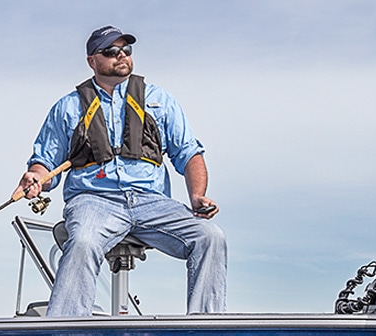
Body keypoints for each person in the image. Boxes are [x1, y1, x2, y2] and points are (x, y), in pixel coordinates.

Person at [15, 25, 227, 316]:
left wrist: (197, 197)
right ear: (92, 60)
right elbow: (45, 162)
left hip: (152, 202)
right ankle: (64, 335)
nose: (121, 56)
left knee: (210, 237)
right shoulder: (67, 108)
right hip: (93, 200)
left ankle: (206, 330)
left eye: (126, 50)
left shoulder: (160, 101)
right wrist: (36, 178)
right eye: (111, 51)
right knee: (83, 241)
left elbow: (189, 154)